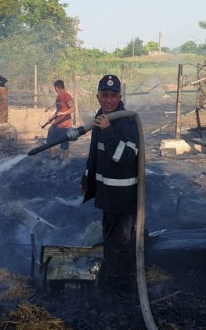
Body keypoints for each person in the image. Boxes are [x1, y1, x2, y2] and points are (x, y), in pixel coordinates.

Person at [80, 74, 140, 300]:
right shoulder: (101, 117)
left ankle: (121, 289)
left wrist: (108, 131)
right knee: (111, 239)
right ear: (98, 96)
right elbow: (95, 153)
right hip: (108, 195)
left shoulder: (128, 121)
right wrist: (86, 178)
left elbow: (126, 156)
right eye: (104, 95)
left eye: (113, 95)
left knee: (119, 244)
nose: (108, 100)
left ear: (120, 97)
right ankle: (113, 277)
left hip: (123, 196)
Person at [47, 80, 76, 163]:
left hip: (65, 126)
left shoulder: (66, 96)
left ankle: (65, 161)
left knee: (65, 144)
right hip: (56, 123)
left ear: (56, 88)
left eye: (55, 88)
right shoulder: (58, 97)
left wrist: (63, 113)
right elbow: (58, 111)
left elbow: (73, 108)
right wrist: (51, 118)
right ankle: (53, 158)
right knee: (50, 140)